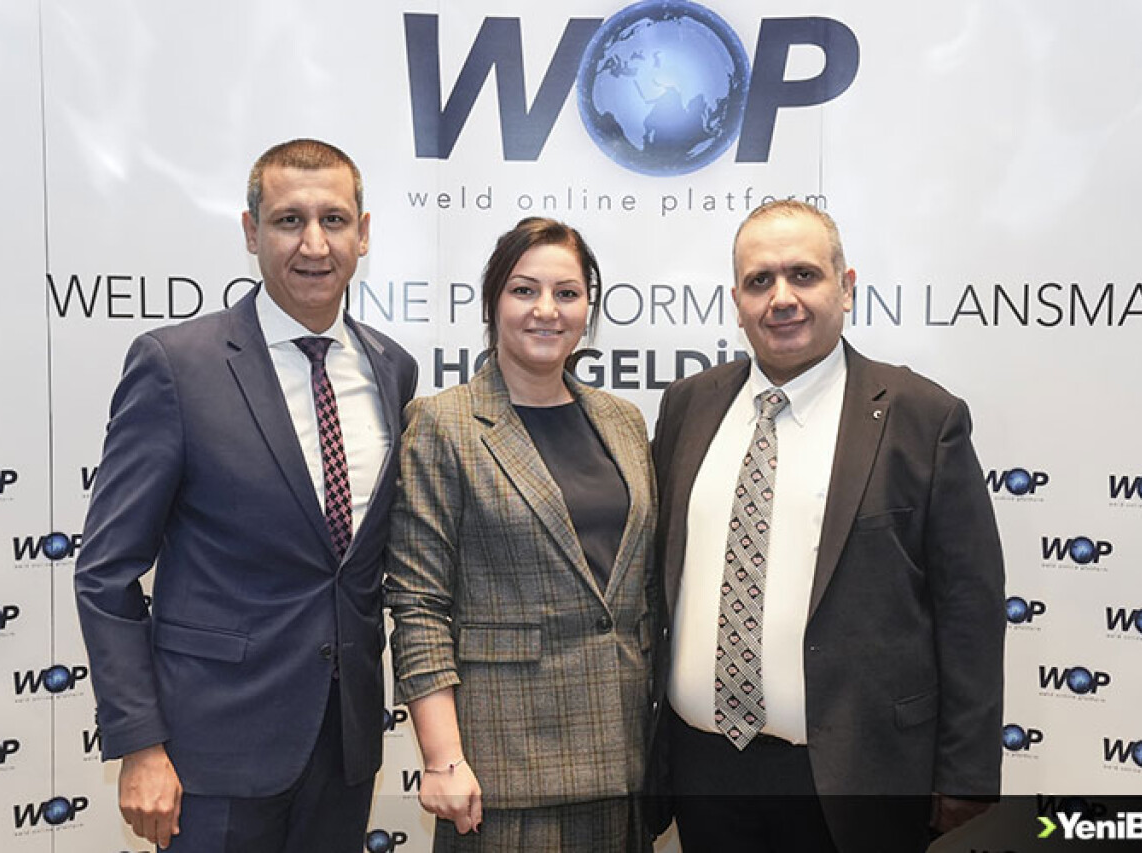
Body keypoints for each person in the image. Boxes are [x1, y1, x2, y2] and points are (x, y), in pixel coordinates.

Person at [74, 138, 418, 852]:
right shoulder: (177, 365)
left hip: (345, 747)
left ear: (363, 233)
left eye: (334, 220)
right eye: (290, 220)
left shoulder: (392, 368)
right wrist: (140, 742)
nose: (314, 244)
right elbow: (106, 572)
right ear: (251, 231)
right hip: (211, 752)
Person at [647, 200, 1005, 852]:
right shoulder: (688, 405)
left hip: (854, 775)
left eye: (804, 275)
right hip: (704, 770)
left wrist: (967, 771)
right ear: (737, 302)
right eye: (760, 280)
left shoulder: (923, 418)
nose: (781, 298)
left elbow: (969, 607)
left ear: (846, 287)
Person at [386, 217, 657, 852]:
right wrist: (442, 758)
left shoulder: (623, 420)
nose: (546, 310)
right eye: (524, 290)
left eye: (567, 293)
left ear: (588, 307)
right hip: (503, 769)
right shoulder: (444, 423)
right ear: (492, 303)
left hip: (623, 760)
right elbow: (420, 604)